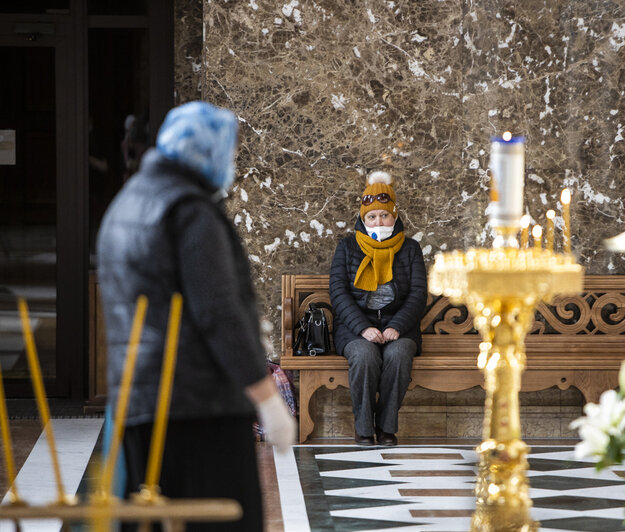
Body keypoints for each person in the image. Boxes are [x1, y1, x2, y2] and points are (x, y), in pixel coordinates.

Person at [97, 101, 296, 531]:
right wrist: (265, 397)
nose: (232, 164)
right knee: (220, 521)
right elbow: (218, 312)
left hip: (138, 403)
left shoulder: (127, 203)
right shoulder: (189, 211)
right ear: (208, 150)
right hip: (199, 408)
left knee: (152, 521)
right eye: (232, 153)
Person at [329, 171, 427, 446]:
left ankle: (386, 427)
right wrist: (363, 328)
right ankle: (363, 428)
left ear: (394, 218)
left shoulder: (410, 249)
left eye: (384, 215)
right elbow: (338, 292)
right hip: (355, 328)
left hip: (399, 326)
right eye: (371, 216)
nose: (378, 221)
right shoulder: (347, 248)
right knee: (363, 355)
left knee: (399, 354)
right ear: (363, 219)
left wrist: (397, 326)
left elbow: (418, 294)